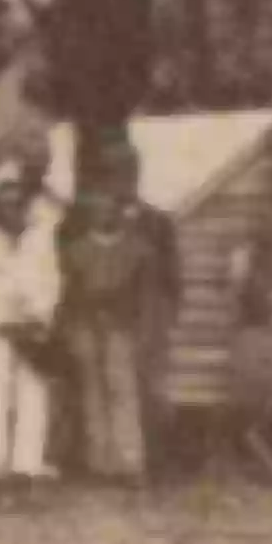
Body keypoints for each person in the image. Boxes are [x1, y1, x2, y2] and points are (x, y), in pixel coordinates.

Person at [61, 154, 180, 481]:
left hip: (121, 327)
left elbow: (151, 291)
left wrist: (142, 324)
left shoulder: (139, 249)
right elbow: (69, 296)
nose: (105, 211)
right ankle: (100, 461)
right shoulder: (77, 251)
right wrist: (74, 327)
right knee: (92, 391)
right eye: (98, 205)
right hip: (86, 326)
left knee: (122, 389)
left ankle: (130, 461)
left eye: (110, 206)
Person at [0, 174, 69, 482]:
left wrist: (38, 319)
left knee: (33, 393)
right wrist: (1, 323)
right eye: (3, 206)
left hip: (32, 329)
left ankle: (27, 462)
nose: (10, 211)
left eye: (16, 205)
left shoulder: (40, 244)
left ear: (25, 208)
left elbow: (51, 284)